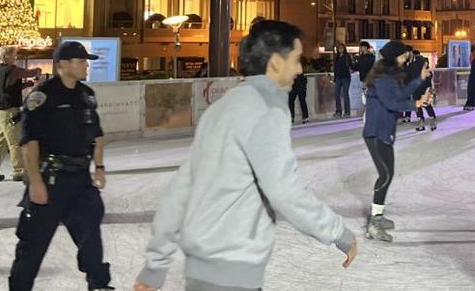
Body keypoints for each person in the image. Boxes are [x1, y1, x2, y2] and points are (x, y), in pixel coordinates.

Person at [133, 21, 358, 291]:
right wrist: (338, 233)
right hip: (234, 267)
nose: (300, 69)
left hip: (201, 270)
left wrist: (155, 265)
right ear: (276, 62)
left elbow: (181, 189)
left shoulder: (220, 108)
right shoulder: (268, 110)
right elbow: (284, 191)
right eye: (296, 59)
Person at [9, 41, 112, 291]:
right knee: (33, 244)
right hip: (50, 179)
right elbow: (29, 143)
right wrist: (35, 182)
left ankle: (98, 283)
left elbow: (97, 135)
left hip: (81, 180)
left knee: (90, 233)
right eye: (81, 61)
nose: (86, 66)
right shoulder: (42, 97)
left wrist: (99, 167)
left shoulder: (86, 94)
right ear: (63, 65)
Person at [362, 40, 432, 240]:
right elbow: (391, 102)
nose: (404, 60)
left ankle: (378, 214)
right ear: (393, 57)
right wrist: (416, 103)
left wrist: (418, 80)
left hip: (384, 131)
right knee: (384, 175)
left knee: (387, 174)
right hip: (376, 132)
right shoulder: (383, 77)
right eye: (402, 57)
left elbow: (400, 94)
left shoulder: (389, 76)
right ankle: (374, 223)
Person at [0, 45, 38, 183]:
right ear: (7, 55)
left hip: (0, 110)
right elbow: (30, 72)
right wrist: (38, 71)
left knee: (0, 141)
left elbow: (6, 87)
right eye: (14, 54)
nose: (16, 57)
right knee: (15, 142)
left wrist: (25, 86)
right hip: (10, 110)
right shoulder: (12, 70)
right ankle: (19, 171)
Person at [410, 49, 437, 131]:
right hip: (425, 87)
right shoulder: (425, 63)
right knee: (427, 105)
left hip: (416, 88)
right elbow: (430, 75)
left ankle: (421, 123)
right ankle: (432, 123)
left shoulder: (412, 65)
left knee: (417, 105)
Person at [332, 42, 353, 117]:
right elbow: (335, 68)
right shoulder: (336, 57)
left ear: (344, 49)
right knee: (336, 95)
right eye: (339, 48)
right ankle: (338, 111)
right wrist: (334, 78)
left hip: (346, 77)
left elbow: (351, 65)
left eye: (342, 48)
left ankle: (347, 112)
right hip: (338, 77)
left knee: (345, 94)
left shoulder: (347, 56)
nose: (340, 49)